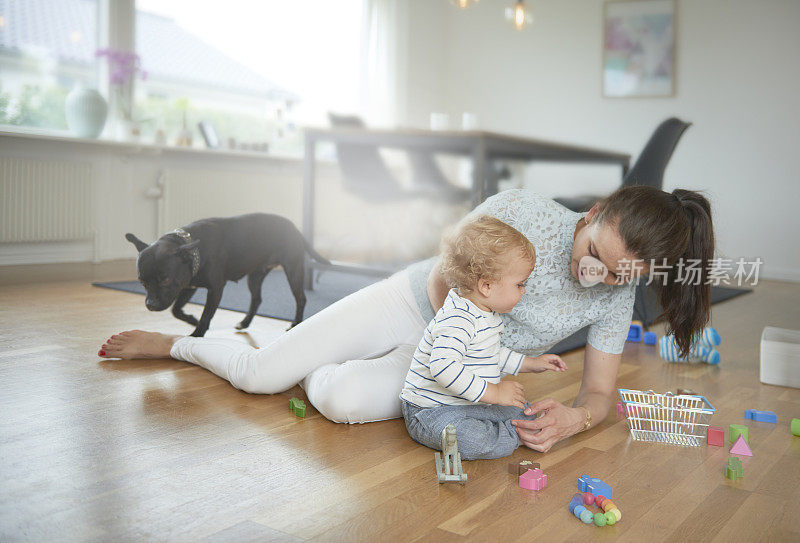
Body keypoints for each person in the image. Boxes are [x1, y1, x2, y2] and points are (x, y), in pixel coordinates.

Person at [99, 185, 714, 452]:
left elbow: (601, 391)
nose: (597, 280)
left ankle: (332, 360)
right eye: (594, 260)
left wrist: (575, 419)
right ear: (593, 216)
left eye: (618, 278)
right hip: (417, 306)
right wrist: (473, 372)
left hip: (457, 363)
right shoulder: (525, 212)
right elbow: (448, 277)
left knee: (340, 400)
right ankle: (174, 345)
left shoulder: (612, 294)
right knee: (261, 375)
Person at [400, 215, 567, 460]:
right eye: (520, 284)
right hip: (432, 410)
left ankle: (511, 429)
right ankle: (512, 436)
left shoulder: (485, 313)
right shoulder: (457, 318)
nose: (524, 290)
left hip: (472, 403)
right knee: (470, 440)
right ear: (486, 286)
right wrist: (496, 393)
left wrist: (532, 363)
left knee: (526, 413)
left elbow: (492, 354)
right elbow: (442, 366)